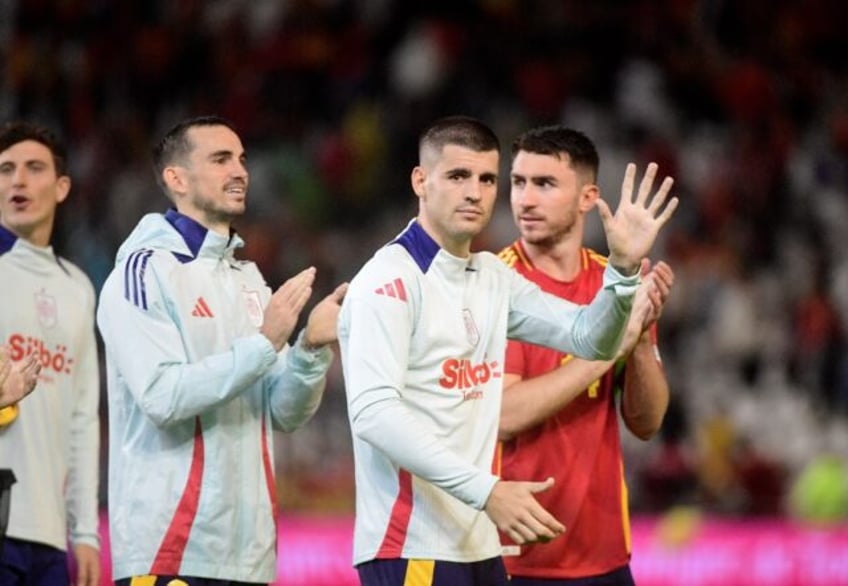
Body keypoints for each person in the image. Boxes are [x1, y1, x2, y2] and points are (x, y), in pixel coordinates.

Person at [337, 115, 677, 586]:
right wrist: (488, 490)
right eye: (458, 176)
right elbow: (374, 413)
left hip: (480, 546)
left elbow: (589, 336)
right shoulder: (388, 280)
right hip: (413, 545)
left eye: (486, 179)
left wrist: (620, 269)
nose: (475, 192)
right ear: (421, 180)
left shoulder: (490, 277)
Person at [96, 115, 347, 585]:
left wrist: (310, 348)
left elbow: (281, 412)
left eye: (242, 159)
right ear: (177, 179)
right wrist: (266, 342)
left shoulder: (247, 278)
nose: (240, 171)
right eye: (220, 159)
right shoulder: (143, 272)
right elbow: (161, 396)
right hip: (171, 548)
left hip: (247, 553)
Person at [496, 125, 674, 585]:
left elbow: (648, 422)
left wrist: (635, 342)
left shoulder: (615, 284)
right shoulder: (492, 284)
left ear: (587, 197)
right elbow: (504, 414)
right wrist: (606, 349)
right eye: (518, 183)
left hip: (605, 556)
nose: (525, 200)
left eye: (545, 184)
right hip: (511, 556)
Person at [0, 121, 101, 586]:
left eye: (33, 168)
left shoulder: (78, 289)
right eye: (5, 170)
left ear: (62, 187)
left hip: (48, 535)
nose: (17, 180)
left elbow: (82, 418)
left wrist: (85, 532)